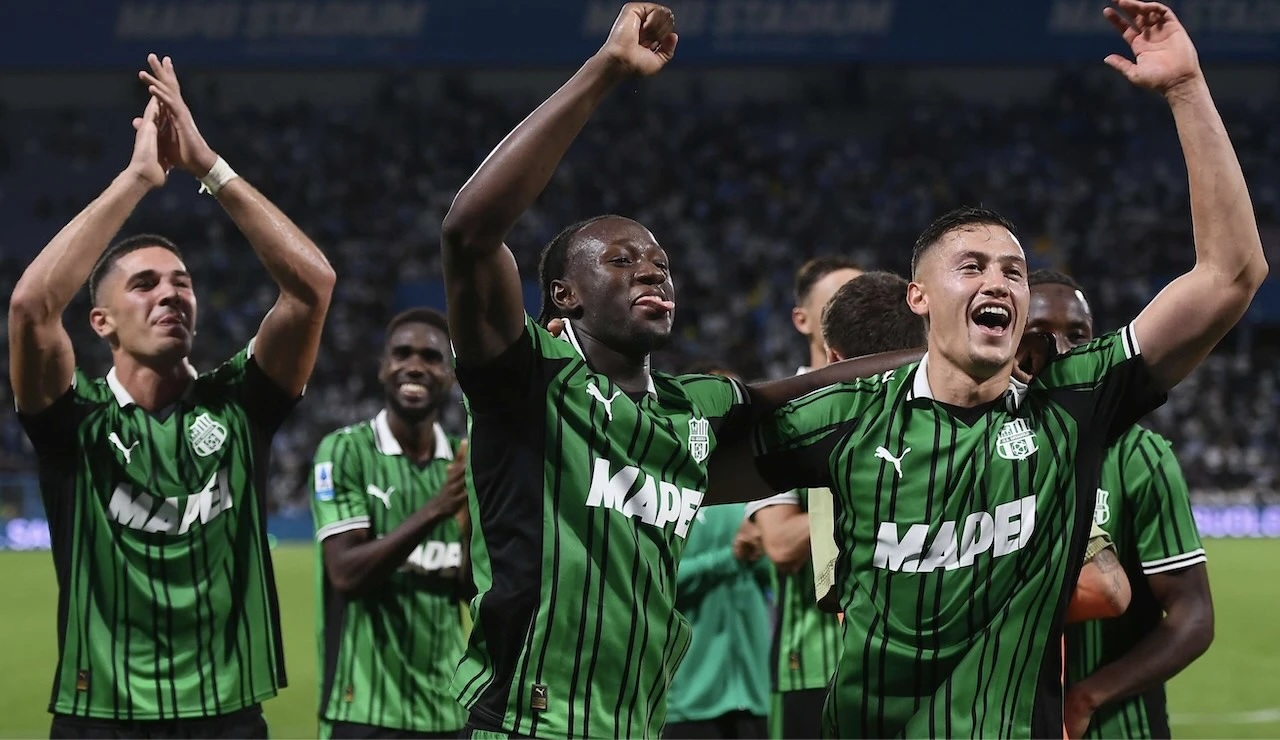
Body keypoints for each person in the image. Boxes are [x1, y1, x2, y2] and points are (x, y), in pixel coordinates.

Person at [750, 3, 1266, 734]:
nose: (998, 281)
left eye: (1014, 271)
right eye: (972, 266)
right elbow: (692, 460)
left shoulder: (1070, 405)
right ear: (919, 297)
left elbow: (1231, 275)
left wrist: (1186, 90)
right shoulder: (846, 416)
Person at [438, 5, 917, 737]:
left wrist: (936, 356)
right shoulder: (527, 380)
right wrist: (605, 70)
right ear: (564, 296)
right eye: (621, 260)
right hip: (527, 725)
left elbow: (791, 393)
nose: (651, 270)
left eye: (660, 262)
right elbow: (468, 233)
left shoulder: (692, 408)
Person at [8, 55, 335, 738]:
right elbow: (33, 308)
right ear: (101, 322)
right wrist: (138, 179)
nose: (171, 294)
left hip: (228, 719)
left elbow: (313, 286)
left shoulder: (240, 404)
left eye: (182, 282)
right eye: (145, 284)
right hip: (102, 721)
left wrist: (208, 166)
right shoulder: (75, 422)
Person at [1027, 271, 1214, 739]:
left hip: (1121, 728)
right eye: (1041, 334)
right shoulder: (980, 448)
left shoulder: (1139, 457)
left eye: (1077, 335)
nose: (1062, 349)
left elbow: (1193, 615)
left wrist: (1089, 695)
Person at [310, 308, 472, 740]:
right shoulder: (345, 452)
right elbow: (346, 573)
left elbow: (474, 592)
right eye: (402, 353)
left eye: (431, 357)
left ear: (451, 376)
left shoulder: (464, 465)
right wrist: (437, 510)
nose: (415, 365)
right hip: (362, 708)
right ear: (383, 367)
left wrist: (470, 531)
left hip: (448, 711)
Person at [747, 257, 860, 739]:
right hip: (811, 664)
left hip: (895, 659)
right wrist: (867, 493)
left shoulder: (900, 404)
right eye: (838, 301)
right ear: (802, 320)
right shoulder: (778, 414)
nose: (853, 310)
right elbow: (780, 544)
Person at [663, 363, 773, 740]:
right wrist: (731, 558)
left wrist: (762, 554)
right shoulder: (670, 491)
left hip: (753, 693)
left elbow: (775, 583)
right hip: (690, 697)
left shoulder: (757, 493)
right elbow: (658, 583)